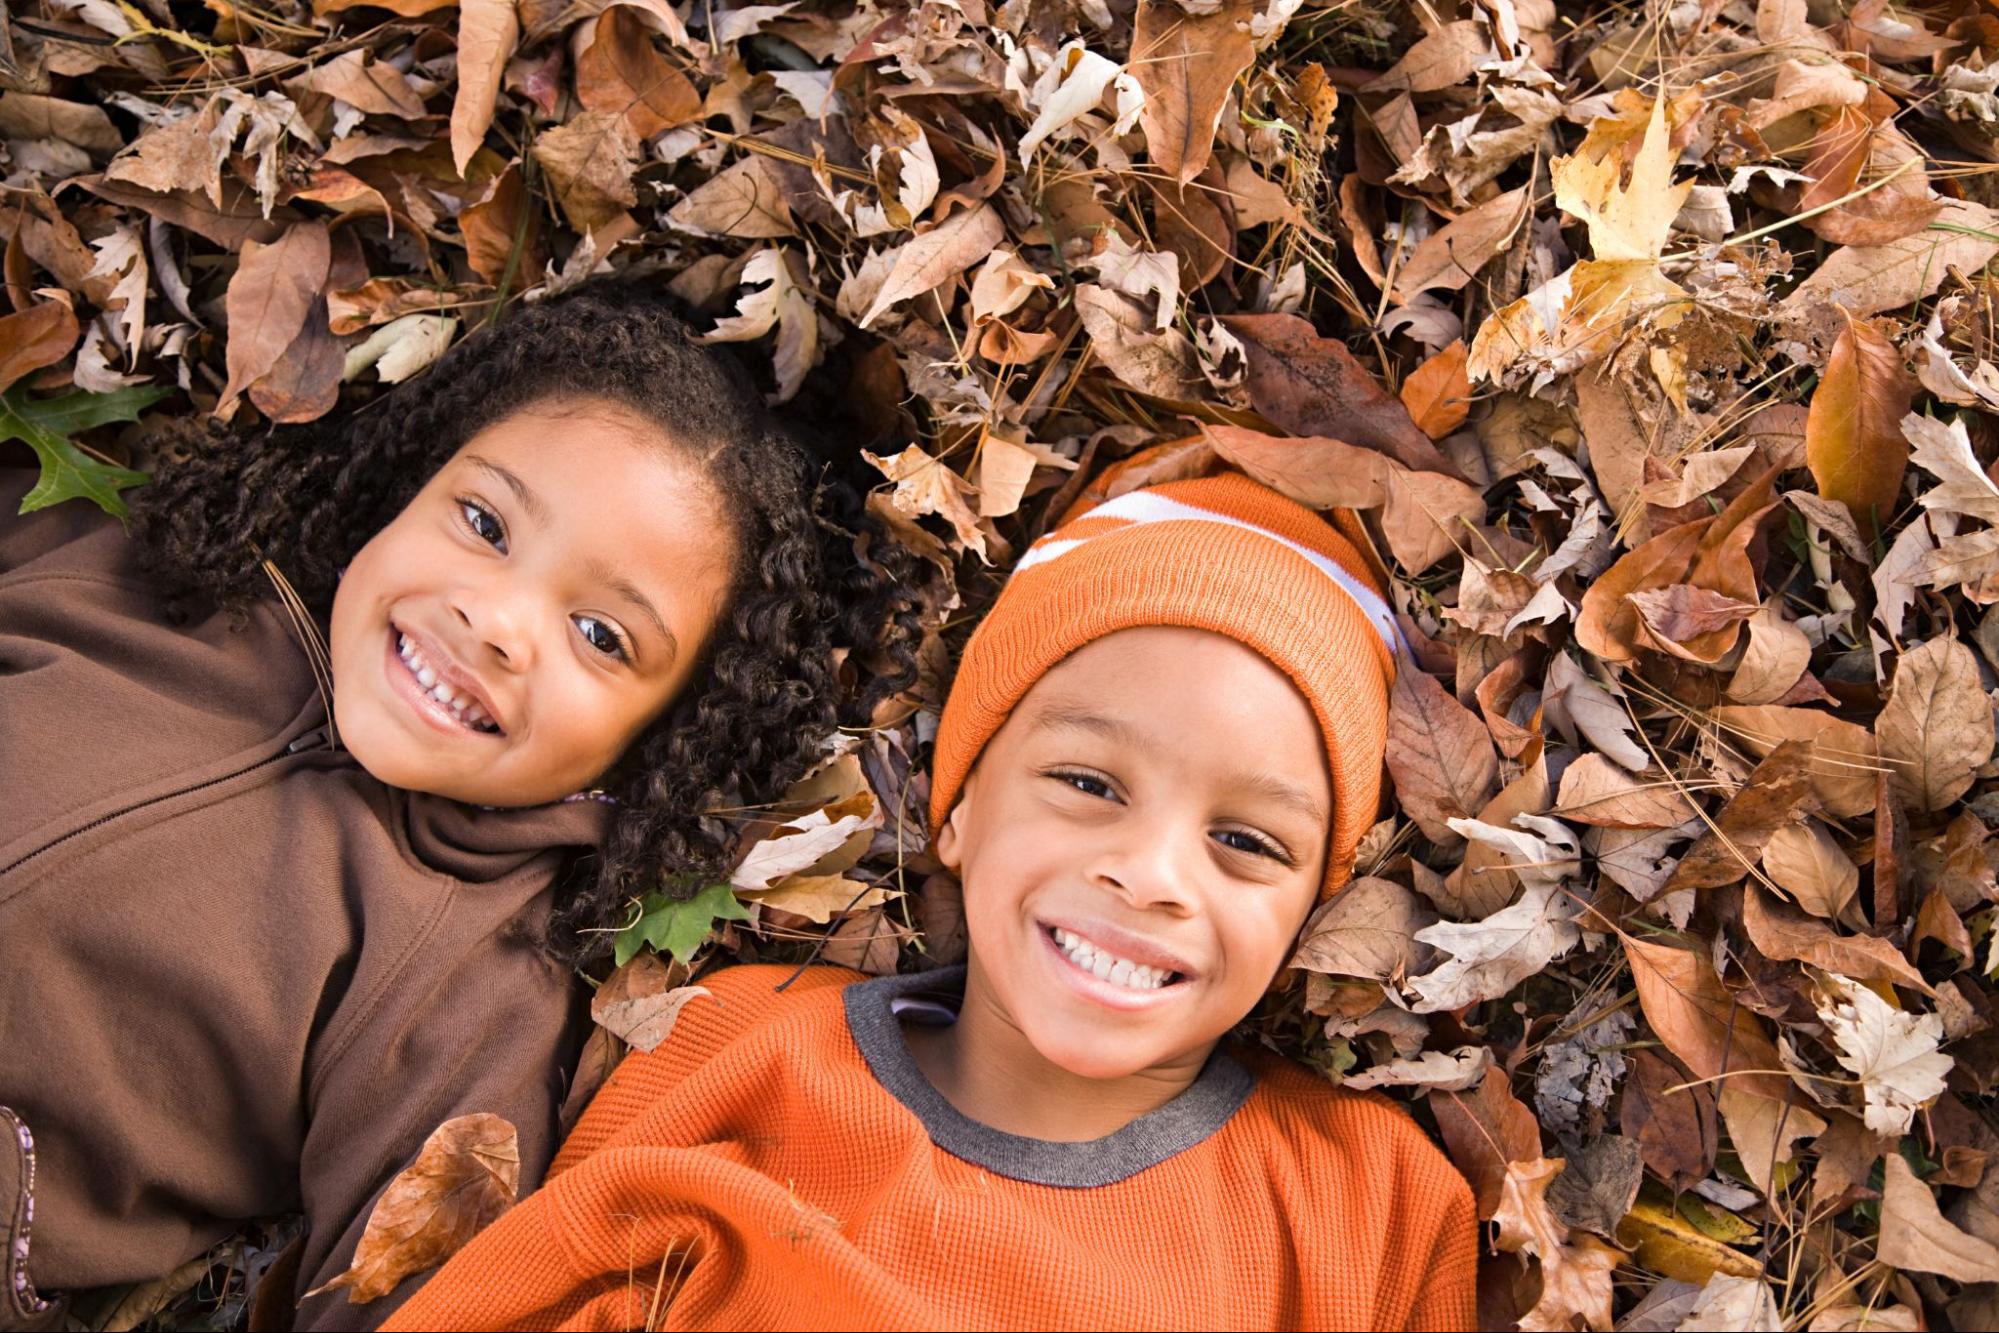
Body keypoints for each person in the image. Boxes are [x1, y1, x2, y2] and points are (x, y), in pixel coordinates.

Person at [0, 286, 914, 1330]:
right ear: (410, 475)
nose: (496, 620)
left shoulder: (467, 989)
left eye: (602, 636)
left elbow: (404, 1297)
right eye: (483, 523)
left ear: (661, 741)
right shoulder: (136, 561)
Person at [384, 474, 1478, 1331]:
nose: (1149, 874)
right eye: (1090, 785)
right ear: (956, 809)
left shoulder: (1369, 1206)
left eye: (1245, 841)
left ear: (1311, 915)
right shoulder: (739, 1048)